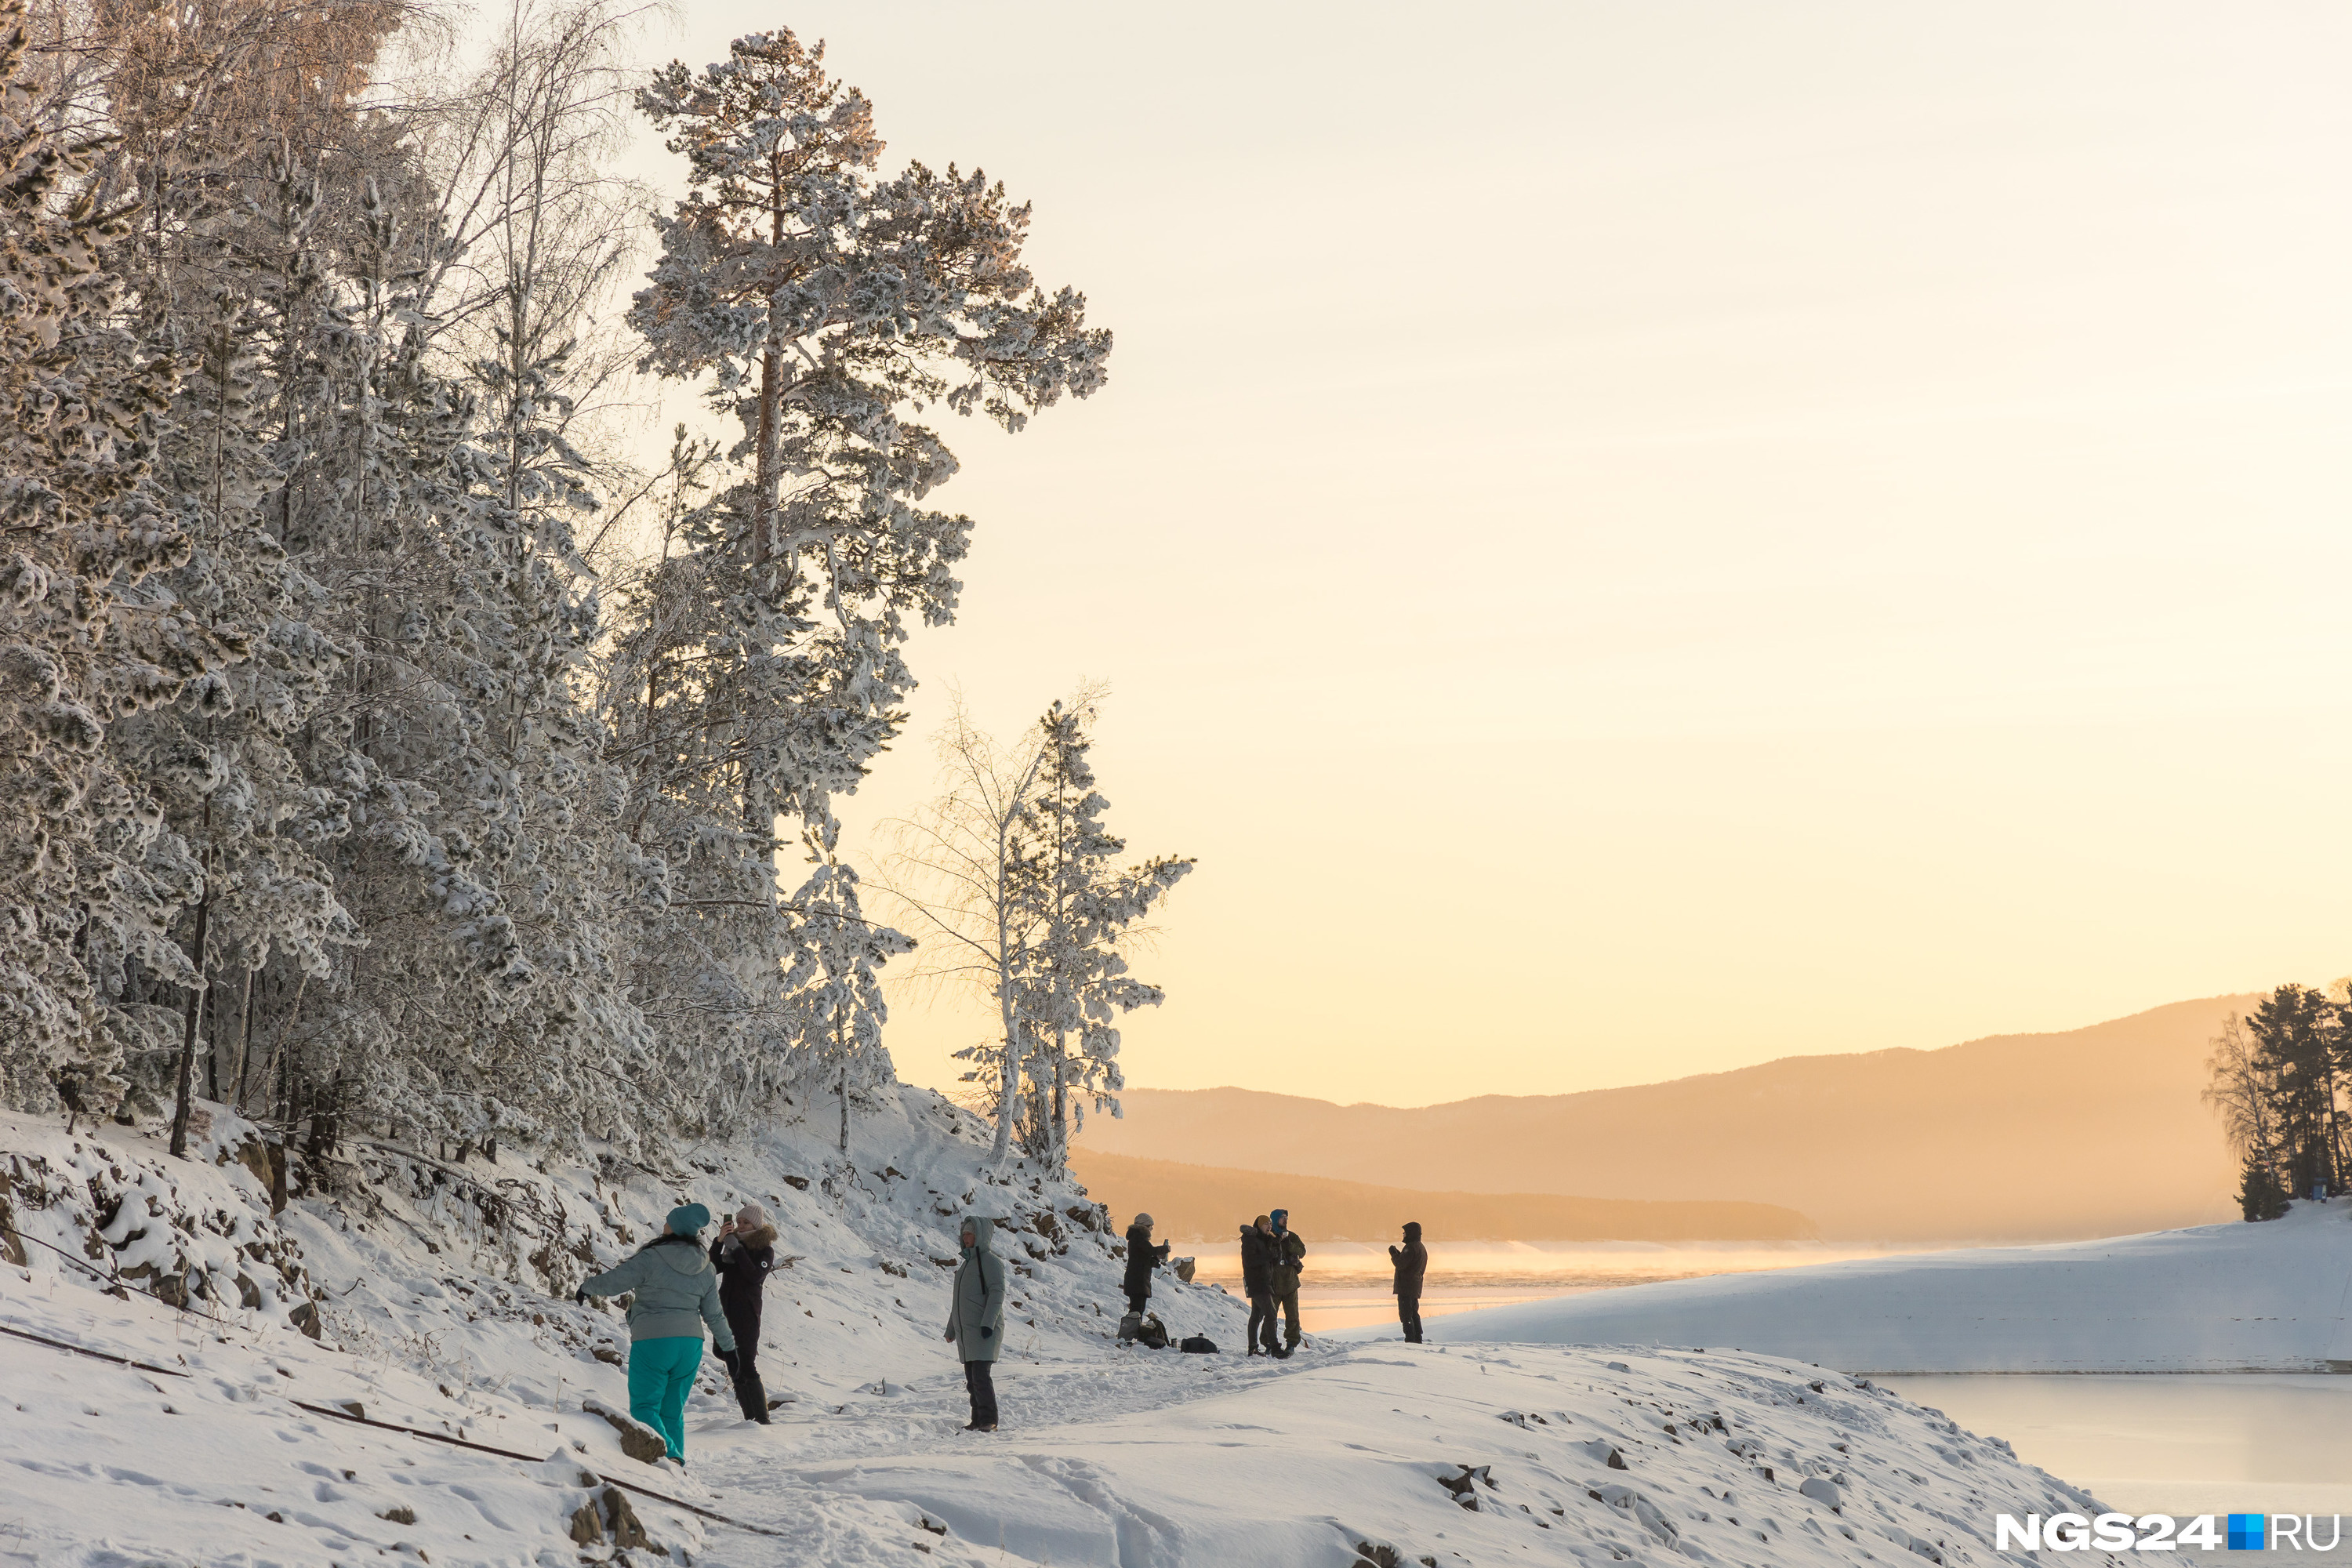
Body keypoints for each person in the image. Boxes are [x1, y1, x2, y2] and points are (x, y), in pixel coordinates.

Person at [576, 1203, 737, 1465]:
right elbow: (714, 1314)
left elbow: (618, 1280)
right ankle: (676, 1465)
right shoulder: (706, 1266)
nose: (664, 1225)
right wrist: (730, 1350)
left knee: (645, 1407)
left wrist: (587, 1287)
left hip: (654, 1340)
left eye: (668, 1222)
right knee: (672, 1412)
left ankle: (668, 1457)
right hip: (691, 1345)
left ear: (674, 1228)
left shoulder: (652, 1257)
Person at [710, 1202, 779, 1422]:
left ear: (756, 1224)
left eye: (745, 1222)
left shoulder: (764, 1249)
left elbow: (755, 1275)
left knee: (746, 1363)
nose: (740, 1226)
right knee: (732, 1363)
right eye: (738, 1222)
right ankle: (750, 1419)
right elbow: (712, 1268)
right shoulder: (731, 1247)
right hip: (726, 1311)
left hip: (747, 1314)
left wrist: (738, 1250)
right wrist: (719, 1242)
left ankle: (762, 1419)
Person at [942, 1214, 1006, 1432]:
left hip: (984, 1330)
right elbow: (958, 1304)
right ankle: (978, 1420)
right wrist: (951, 1330)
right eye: (964, 1234)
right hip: (967, 1333)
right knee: (972, 1380)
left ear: (980, 1236)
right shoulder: (965, 1267)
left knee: (980, 1377)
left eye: (970, 1234)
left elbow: (997, 1293)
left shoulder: (991, 1262)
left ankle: (989, 1420)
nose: (965, 1237)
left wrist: (988, 1323)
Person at [1267, 1207, 1305, 1357]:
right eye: (1283, 1218)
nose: (1285, 1220)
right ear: (1276, 1219)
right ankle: (1270, 1343)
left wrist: (1289, 1244)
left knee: (1293, 1316)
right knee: (1271, 1316)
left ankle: (1291, 1344)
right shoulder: (1269, 1236)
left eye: (1286, 1218)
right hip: (1274, 1283)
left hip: (1290, 1282)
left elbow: (1302, 1251)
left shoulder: (1292, 1236)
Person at [1240, 1215, 1276, 1356]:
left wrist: (1275, 1246)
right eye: (1266, 1224)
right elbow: (1250, 1261)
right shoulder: (1250, 1240)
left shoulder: (1264, 1240)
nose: (1269, 1227)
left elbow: (1270, 1259)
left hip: (1265, 1282)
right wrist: (1268, 1256)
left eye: (1270, 1224)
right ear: (1259, 1225)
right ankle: (1274, 1347)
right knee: (1270, 1314)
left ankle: (1253, 1347)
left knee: (1256, 1316)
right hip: (1257, 1283)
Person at [1122, 1212, 1171, 1316]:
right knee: (1137, 1310)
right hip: (1137, 1280)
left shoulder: (1136, 1238)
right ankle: (1132, 1330)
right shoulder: (1138, 1237)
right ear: (1144, 1227)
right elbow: (1151, 1251)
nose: (1152, 1229)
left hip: (1138, 1280)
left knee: (1138, 1309)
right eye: (1150, 1226)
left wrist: (1156, 1260)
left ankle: (1134, 1330)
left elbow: (1142, 1258)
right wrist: (1165, 1249)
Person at [1388, 1219, 1427, 1343]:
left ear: (1411, 1233)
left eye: (1405, 1232)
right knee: (1414, 1313)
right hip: (1414, 1287)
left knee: (1406, 1315)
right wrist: (1400, 1254)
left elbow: (1400, 1264)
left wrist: (1393, 1254)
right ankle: (1417, 1338)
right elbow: (1408, 1263)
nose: (1403, 1235)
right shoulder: (1419, 1247)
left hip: (1407, 1287)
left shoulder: (1411, 1247)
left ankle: (1411, 1340)